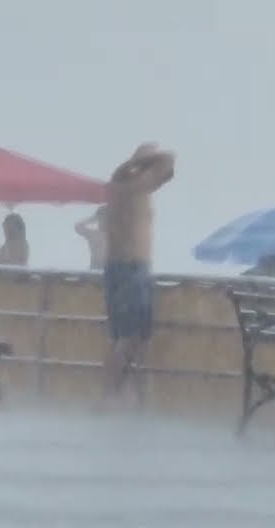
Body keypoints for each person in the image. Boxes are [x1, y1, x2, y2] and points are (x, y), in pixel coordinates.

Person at [101, 143, 176, 403]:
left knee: (130, 339)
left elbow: (166, 166)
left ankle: (124, 396)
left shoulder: (126, 184)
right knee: (128, 338)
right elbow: (168, 159)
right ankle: (108, 399)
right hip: (129, 268)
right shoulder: (132, 185)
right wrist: (146, 158)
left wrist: (141, 161)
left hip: (126, 267)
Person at [75, 206, 108, 270]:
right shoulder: (93, 234)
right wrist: (94, 218)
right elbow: (77, 227)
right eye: (101, 219)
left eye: (105, 219)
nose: (103, 221)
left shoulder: (115, 235)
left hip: (111, 268)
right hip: (95, 267)